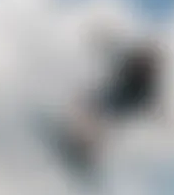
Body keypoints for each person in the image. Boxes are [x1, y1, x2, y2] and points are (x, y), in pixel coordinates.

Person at [61, 38, 165, 174]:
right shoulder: (131, 63)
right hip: (113, 95)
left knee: (101, 124)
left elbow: (150, 102)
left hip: (122, 105)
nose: (144, 65)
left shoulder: (147, 83)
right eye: (143, 61)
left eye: (147, 64)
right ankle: (75, 138)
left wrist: (161, 116)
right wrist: (103, 43)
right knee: (91, 108)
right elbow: (115, 54)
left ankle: (84, 150)